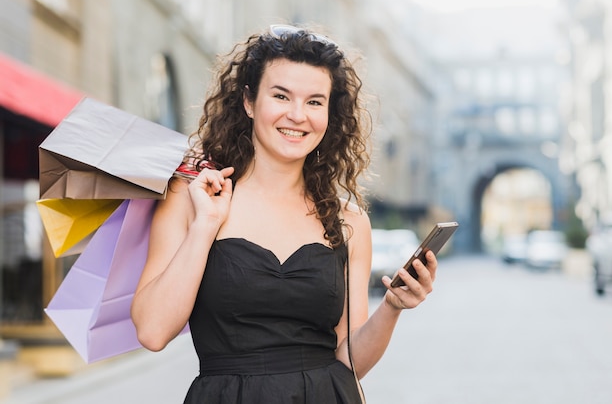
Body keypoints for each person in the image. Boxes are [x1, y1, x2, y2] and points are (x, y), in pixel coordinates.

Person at [130, 24, 438, 404]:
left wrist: (392, 307)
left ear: (330, 113)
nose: (297, 115)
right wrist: (205, 227)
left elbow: (351, 360)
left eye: (314, 102)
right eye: (280, 96)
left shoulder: (349, 221)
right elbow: (152, 331)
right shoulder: (193, 198)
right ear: (248, 101)